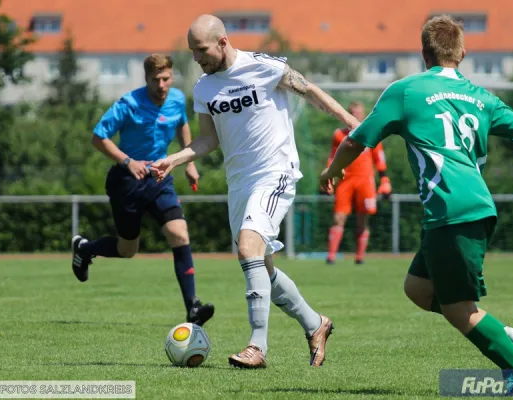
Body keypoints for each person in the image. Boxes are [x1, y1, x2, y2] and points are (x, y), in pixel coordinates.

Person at [321, 14, 513, 377]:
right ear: (462, 53)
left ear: (424, 53)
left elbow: (356, 138)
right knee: (418, 288)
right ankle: (500, 332)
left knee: (459, 309)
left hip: (452, 211)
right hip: (474, 208)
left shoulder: (406, 91)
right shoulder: (482, 98)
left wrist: (332, 170)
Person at [151, 14, 360, 369]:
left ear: (222, 42)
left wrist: (351, 123)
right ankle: (316, 324)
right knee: (261, 265)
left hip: (275, 173)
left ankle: (257, 347)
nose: (196, 58)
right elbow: (207, 140)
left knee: (249, 245)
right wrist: (174, 159)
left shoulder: (264, 67)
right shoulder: (203, 88)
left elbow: (309, 90)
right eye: (191, 51)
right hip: (240, 184)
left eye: (200, 49)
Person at [71, 53, 214, 327]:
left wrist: (188, 162)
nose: (162, 84)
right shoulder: (128, 104)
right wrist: (128, 161)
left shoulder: (175, 99)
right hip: (127, 182)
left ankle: (192, 307)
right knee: (127, 250)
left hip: (160, 178)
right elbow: (98, 137)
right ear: (146, 79)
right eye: (155, 79)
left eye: (166, 78)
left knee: (179, 233)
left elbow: (183, 123)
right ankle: (85, 248)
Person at [324, 101, 392, 265]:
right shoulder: (339, 135)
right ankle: (331, 256)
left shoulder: (371, 133)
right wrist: (329, 175)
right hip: (345, 180)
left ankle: (360, 257)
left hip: (365, 180)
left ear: (363, 114)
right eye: (352, 112)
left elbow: (379, 158)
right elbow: (333, 157)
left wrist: (384, 180)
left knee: (363, 218)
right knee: (339, 217)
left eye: (358, 113)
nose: (356, 116)